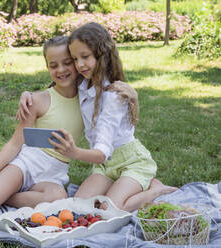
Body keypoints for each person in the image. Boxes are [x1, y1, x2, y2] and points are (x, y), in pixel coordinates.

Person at [17, 22, 177, 212]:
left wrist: (74, 152)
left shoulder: (113, 96)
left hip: (131, 162)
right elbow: (58, 87)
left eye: (85, 57)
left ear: (102, 55)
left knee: (107, 210)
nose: (79, 65)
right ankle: (119, 188)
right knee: (79, 206)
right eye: (75, 58)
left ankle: (153, 190)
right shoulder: (84, 83)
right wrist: (28, 94)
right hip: (105, 167)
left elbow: (101, 152)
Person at [0, 36, 85, 211]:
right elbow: (16, 142)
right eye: (53, 65)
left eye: (67, 63)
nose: (61, 70)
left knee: (58, 199)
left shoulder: (88, 99)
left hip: (55, 174)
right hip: (26, 165)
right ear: (47, 67)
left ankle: (1, 191)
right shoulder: (38, 100)